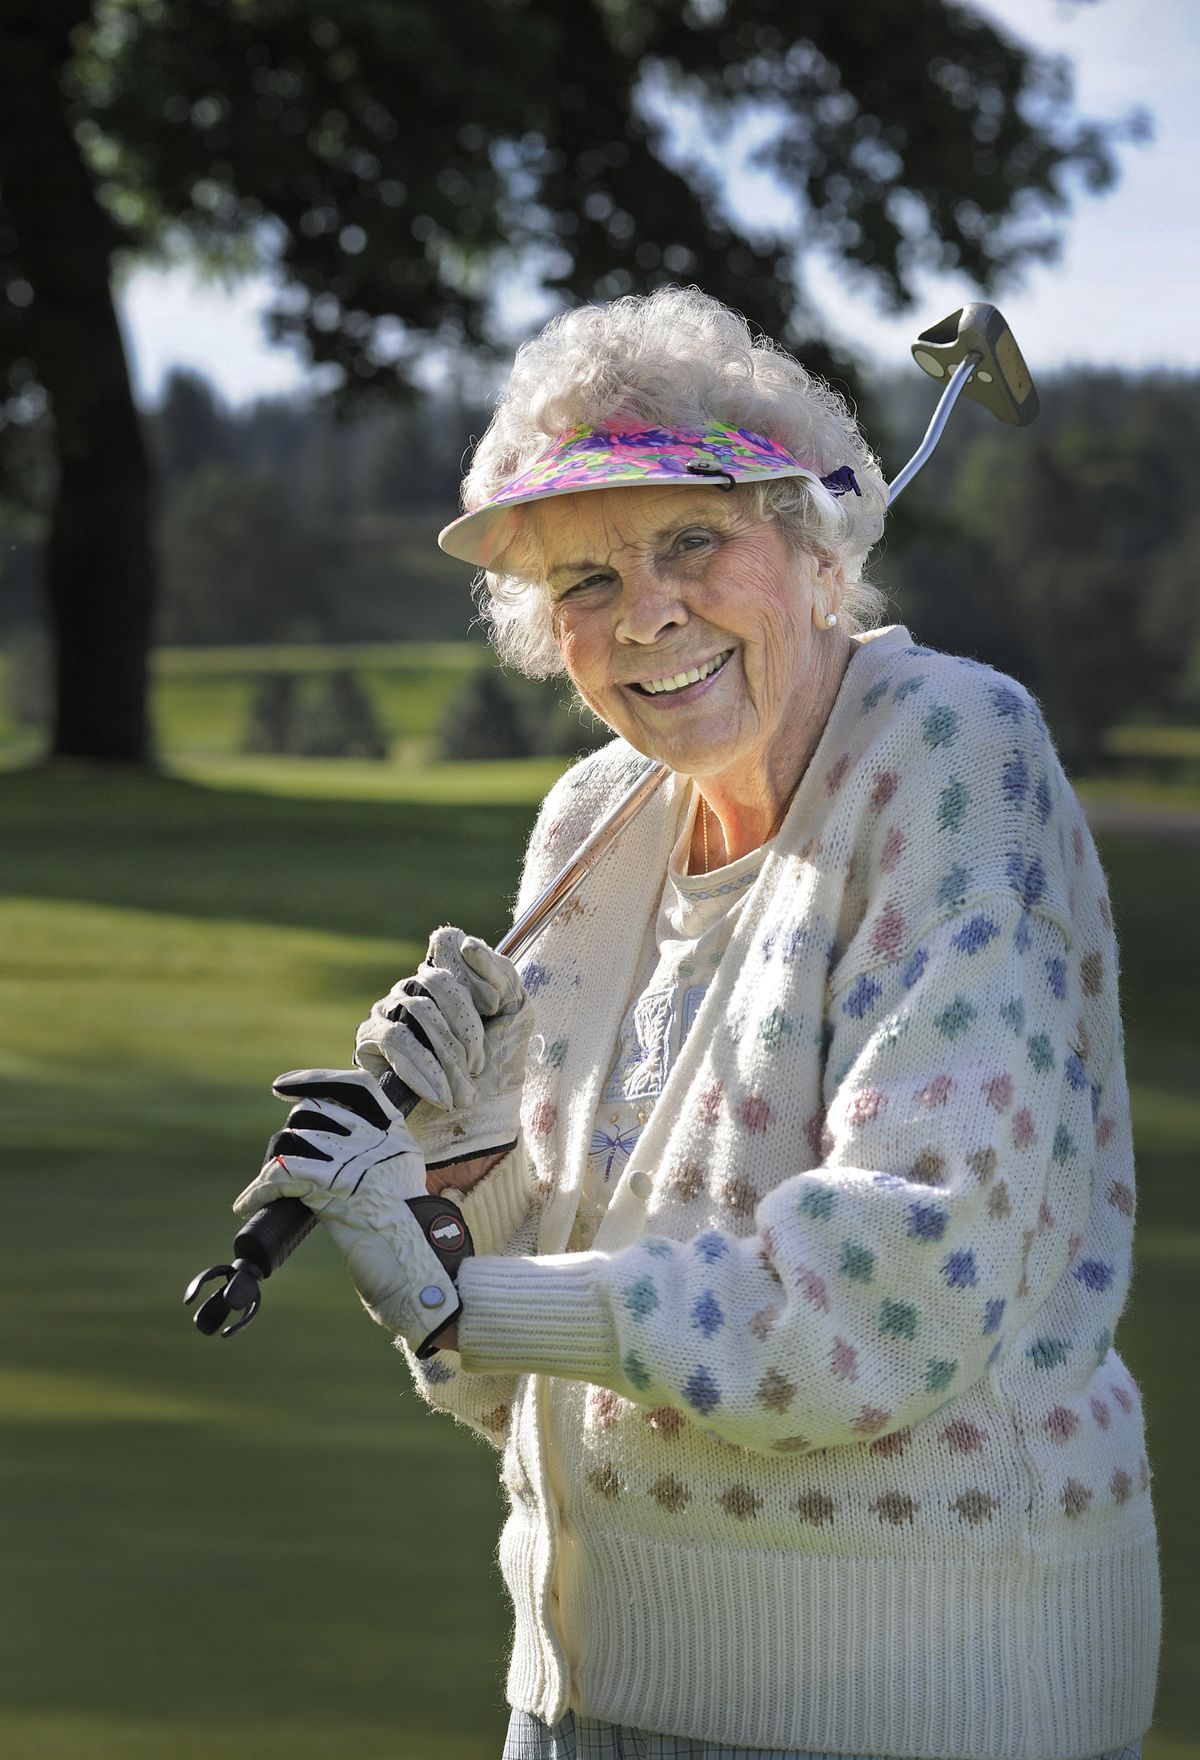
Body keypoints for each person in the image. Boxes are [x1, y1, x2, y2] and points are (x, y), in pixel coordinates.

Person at [236, 288, 1159, 1760]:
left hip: (920, 1701)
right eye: (585, 579)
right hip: (584, 1695)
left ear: (813, 549)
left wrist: (463, 1295)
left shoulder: (951, 748)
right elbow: (506, 1382)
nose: (647, 614)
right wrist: (451, 1180)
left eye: (691, 542)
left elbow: (893, 1292)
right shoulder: (594, 817)